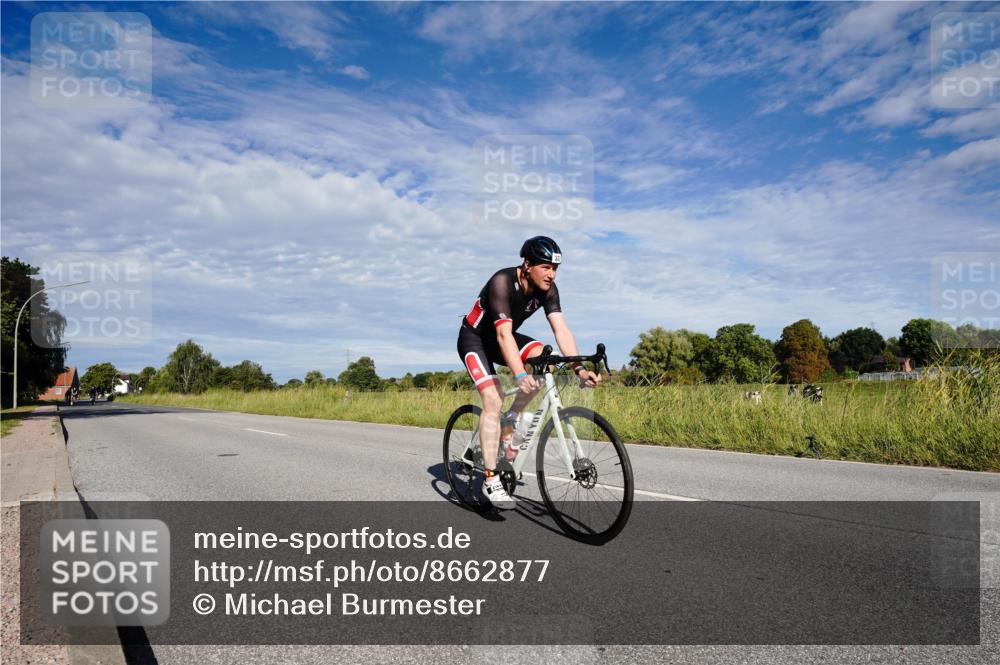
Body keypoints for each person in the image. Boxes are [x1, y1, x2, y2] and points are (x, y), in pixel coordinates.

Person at [456, 236, 601, 510]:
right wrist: (519, 375)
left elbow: (561, 330)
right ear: (527, 264)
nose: (552, 274)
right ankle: (490, 480)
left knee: (544, 362)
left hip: (506, 337)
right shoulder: (502, 281)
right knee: (493, 398)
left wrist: (579, 368)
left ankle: (509, 422)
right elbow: (502, 334)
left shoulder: (549, 290)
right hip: (475, 339)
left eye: (555, 268)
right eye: (546, 267)